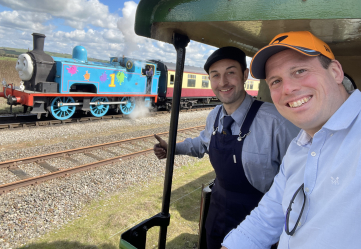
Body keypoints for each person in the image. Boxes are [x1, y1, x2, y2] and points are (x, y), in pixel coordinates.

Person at [221, 31, 360, 249]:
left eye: (300, 71)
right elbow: (267, 217)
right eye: (275, 81)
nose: (287, 89)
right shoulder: (299, 146)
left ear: (335, 72)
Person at [153, 46, 299, 249]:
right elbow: (202, 144)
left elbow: (299, 179)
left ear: (245, 75)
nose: (223, 82)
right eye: (215, 75)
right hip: (218, 216)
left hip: (259, 226)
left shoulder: (276, 122)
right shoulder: (214, 116)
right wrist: (173, 149)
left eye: (231, 72)